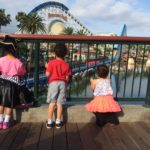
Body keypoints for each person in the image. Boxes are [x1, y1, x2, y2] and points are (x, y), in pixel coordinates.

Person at [0, 35, 26, 129]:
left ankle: (0, 121)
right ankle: (6, 122)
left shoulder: (1, 60)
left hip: (1, 82)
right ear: (14, 50)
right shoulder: (18, 62)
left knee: (1, 103)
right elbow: (22, 72)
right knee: (9, 104)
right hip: (12, 84)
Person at [45, 44, 71, 129]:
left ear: (54, 53)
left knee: (52, 102)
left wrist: (47, 68)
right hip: (62, 83)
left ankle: (49, 121)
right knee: (60, 103)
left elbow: (47, 75)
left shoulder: (51, 63)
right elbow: (67, 78)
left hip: (53, 83)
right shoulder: (66, 65)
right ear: (65, 54)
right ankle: (58, 121)